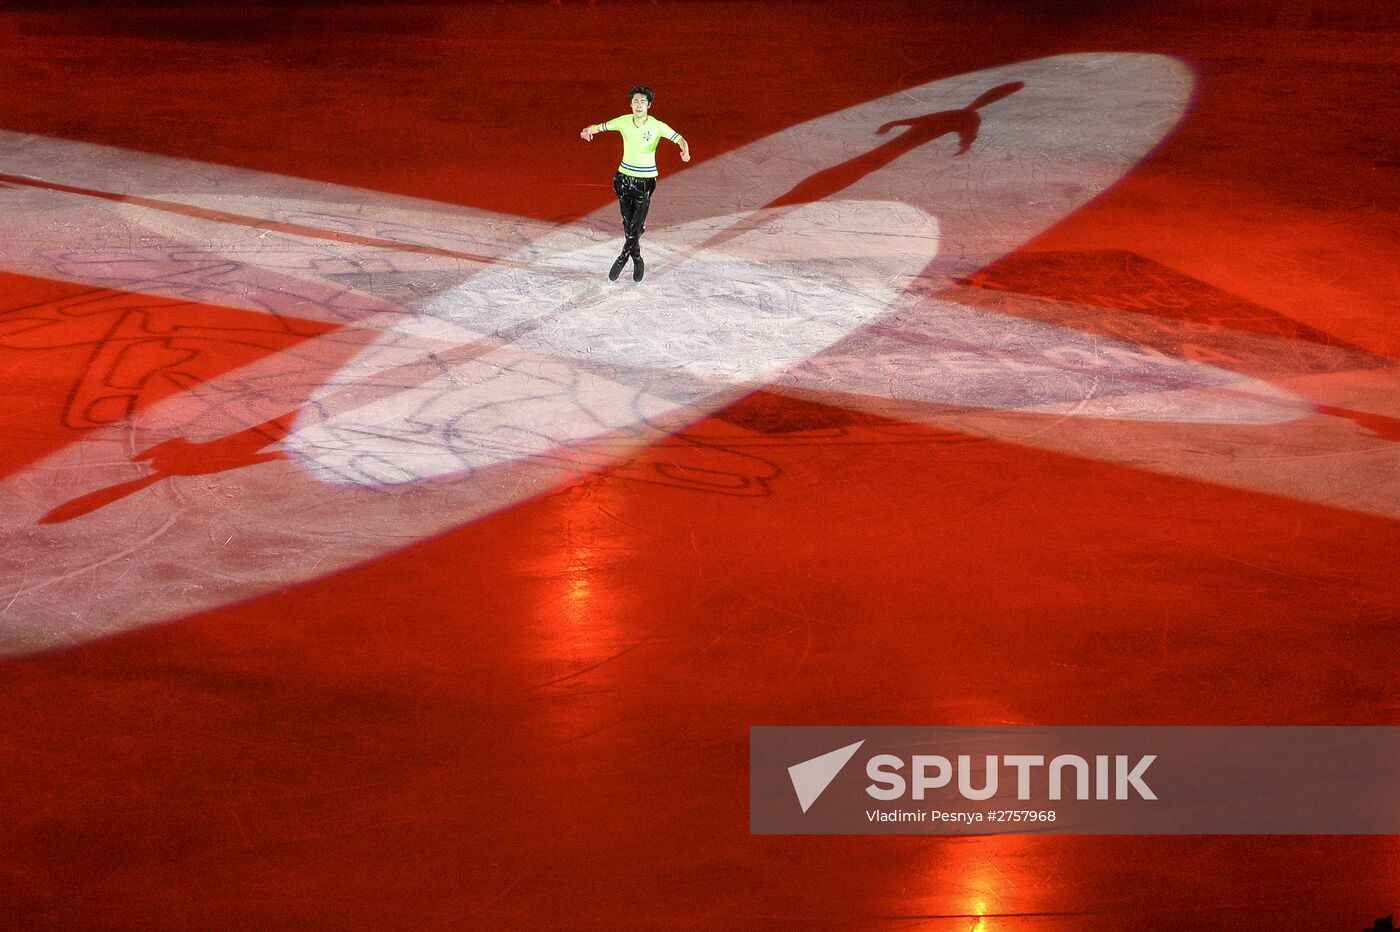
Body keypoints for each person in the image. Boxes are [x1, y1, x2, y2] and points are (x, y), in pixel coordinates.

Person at [580, 86, 690, 282]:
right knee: (628, 222)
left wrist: (685, 151)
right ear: (631, 104)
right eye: (635, 102)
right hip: (623, 178)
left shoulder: (657, 126)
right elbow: (601, 127)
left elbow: (680, 139)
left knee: (636, 224)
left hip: (645, 181)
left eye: (642, 102)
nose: (639, 105)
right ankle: (637, 255)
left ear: (649, 105)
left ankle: (625, 257)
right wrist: (589, 130)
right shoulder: (623, 121)